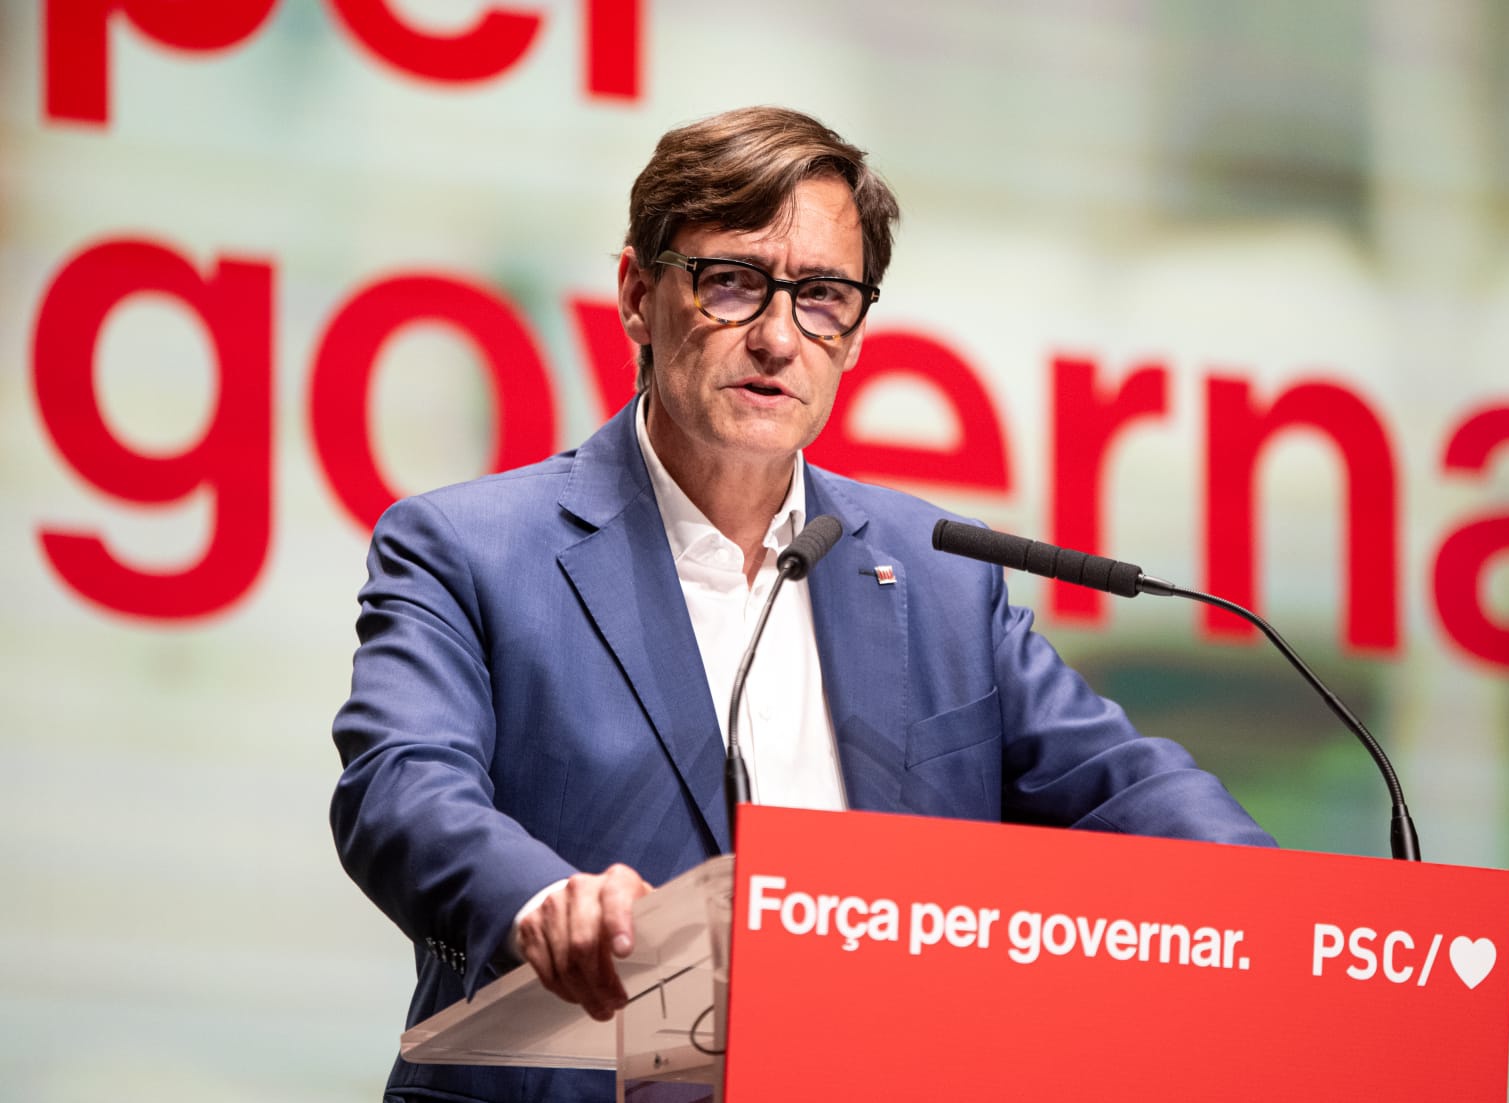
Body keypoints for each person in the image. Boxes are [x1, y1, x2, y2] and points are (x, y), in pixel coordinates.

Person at [330, 105, 1273, 1103]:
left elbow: (1129, 791)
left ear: (855, 332)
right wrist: (542, 901)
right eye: (732, 281)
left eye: (822, 296)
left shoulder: (939, 575)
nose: (779, 338)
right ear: (638, 295)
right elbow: (400, 787)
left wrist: (1300, 920)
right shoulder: (467, 548)